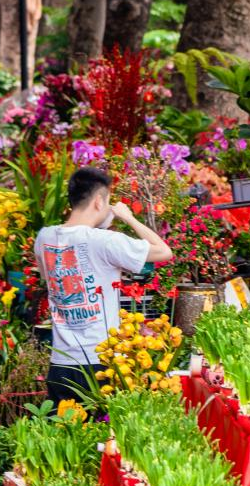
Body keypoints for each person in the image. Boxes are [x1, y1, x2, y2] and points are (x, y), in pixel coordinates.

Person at [35, 167, 173, 406]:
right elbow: (164, 251)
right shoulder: (104, 241)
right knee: (104, 439)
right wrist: (127, 217)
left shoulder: (44, 238)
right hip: (101, 364)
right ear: (99, 201)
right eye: (108, 201)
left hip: (60, 363)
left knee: (63, 437)